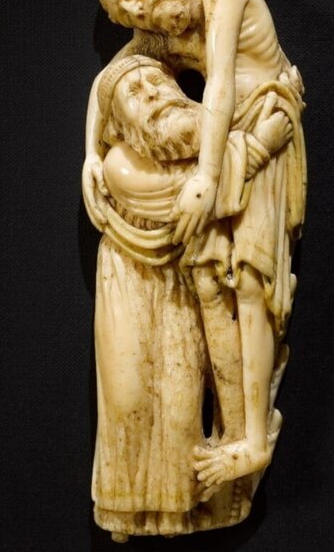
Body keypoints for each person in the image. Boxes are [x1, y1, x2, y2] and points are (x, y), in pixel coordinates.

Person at [84, 0, 307, 495]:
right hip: (226, 139)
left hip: (258, 124)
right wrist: (90, 152)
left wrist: (208, 176)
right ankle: (234, 430)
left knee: (250, 285)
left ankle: (252, 442)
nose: (136, 10)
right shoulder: (165, 24)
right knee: (218, 284)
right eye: (125, 13)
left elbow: (221, 85)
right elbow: (108, 77)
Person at [85, 55, 294, 538]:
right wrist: (259, 144)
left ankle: (184, 508)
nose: (152, 93)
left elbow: (209, 167)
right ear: (119, 123)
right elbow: (193, 199)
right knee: (128, 398)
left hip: (184, 280)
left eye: (156, 80)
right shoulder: (120, 165)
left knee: (179, 400)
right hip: (131, 278)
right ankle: (126, 510)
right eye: (134, 93)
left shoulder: (199, 143)